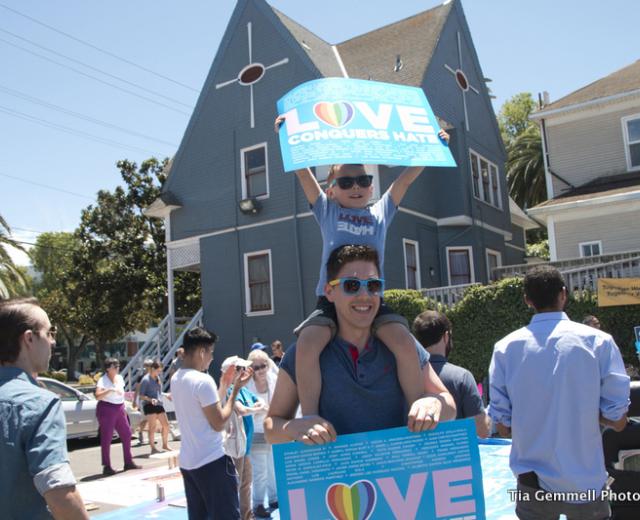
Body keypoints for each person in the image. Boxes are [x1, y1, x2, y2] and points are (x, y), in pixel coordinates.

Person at [275, 115, 450, 417]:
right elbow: (304, 175)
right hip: (331, 298)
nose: (355, 186)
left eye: (363, 180)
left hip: (371, 296)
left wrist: (432, 148)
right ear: (331, 190)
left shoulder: (381, 212)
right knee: (308, 343)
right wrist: (287, 137)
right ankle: (312, 417)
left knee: (403, 341)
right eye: (345, 182)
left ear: (371, 187)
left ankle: (415, 411)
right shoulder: (327, 211)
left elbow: (404, 180)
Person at [265, 245, 456, 446]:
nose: (365, 295)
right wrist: (292, 428)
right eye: (351, 285)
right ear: (329, 291)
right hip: (336, 467)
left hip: (402, 463)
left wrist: (434, 403)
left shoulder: (404, 345)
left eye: (373, 285)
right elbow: (271, 428)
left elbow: (449, 405)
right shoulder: (302, 352)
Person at [489, 265, 630, 519]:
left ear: (527, 300)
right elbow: (619, 421)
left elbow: (503, 427)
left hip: (532, 483)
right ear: (564, 294)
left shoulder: (504, 348)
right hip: (586, 481)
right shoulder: (599, 342)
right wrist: (587, 411)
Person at [0, 298, 88, 520]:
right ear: (29, 338)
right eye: (50, 333)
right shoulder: (39, 403)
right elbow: (59, 494)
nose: (53, 341)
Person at [170, 327, 252, 520]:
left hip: (189, 462)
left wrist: (224, 385)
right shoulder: (203, 380)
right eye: (211, 353)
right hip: (213, 461)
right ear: (201, 352)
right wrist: (235, 390)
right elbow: (219, 422)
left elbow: (205, 410)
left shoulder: (176, 378)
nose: (211, 358)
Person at [412, 310, 490, 438]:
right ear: (446, 337)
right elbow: (482, 430)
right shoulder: (462, 377)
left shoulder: (405, 377)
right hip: (455, 448)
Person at [222, 356, 267, 520]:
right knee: (235, 485)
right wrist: (256, 408)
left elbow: (261, 403)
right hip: (234, 447)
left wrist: (256, 407)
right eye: (241, 369)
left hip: (244, 445)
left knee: (246, 483)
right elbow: (242, 410)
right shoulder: (228, 391)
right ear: (232, 372)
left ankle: (247, 516)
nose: (245, 372)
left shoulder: (243, 390)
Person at [247, 350, 279, 518]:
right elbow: (244, 409)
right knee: (260, 471)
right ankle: (258, 504)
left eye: (263, 366)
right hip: (257, 431)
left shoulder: (274, 379)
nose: (260, 370)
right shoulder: (247, 385)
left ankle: (274, 498)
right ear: (251, 369)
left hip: (273, 429)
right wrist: (258, 409)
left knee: (273, 467)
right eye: (256, 367)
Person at [95, 358, 141, 476]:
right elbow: (98, 396)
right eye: (114, 366)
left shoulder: (119, 378)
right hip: (106, 408)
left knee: (127, 434)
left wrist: (125, 406)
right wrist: (109, 390)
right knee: (107, 437)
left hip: (119, 407)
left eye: (118, 365)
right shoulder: (103, 380)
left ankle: (128, 462)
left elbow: (121, 394)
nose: (117, 368)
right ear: (107, 369)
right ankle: (107, 466)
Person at [139, 360, 171, 454]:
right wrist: (150, 400)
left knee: (166, 425)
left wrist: (166, 395)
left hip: (158, 404)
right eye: (158, 371)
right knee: (152, 427)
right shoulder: (145, 380)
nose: (159, 373)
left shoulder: (157, 378)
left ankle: (165, 444)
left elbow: (158, 392)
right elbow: (141, 396)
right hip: (149, 405)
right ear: (153, 369)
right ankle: (153, 448)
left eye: (160, 371)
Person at [132, 358, 153, 445]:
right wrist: (134, 400)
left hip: (152, 399)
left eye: (150, 365)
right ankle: (140, 432)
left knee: (151, 418)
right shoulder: (141, 377)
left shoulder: (154, 376)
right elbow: (137, 390)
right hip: (143, 400)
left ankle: (150, 438)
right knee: (145, 418)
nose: (148, 367)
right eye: (147, 365)